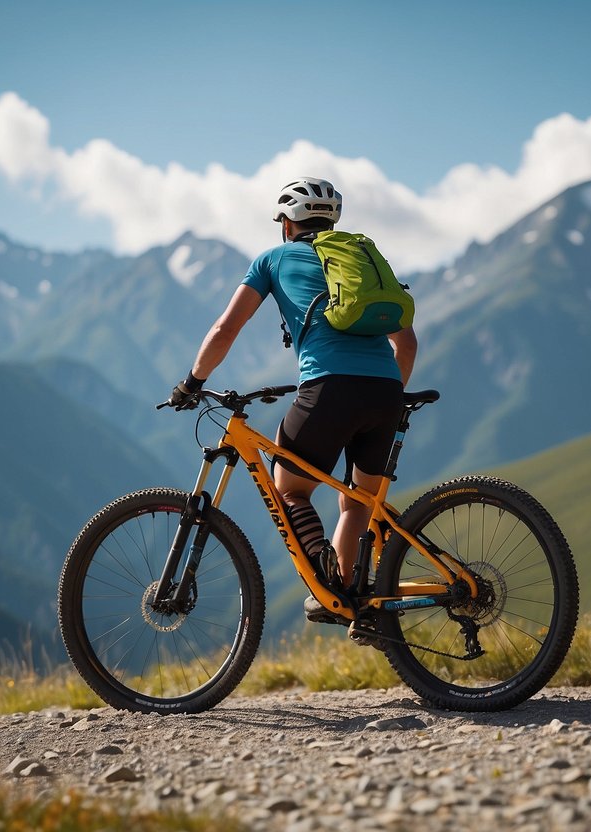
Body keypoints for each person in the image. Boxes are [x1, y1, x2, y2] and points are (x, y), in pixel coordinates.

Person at [168, 177, 418, 621]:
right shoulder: (359, 259)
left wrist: (191, 382)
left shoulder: (273, 259)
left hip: (328, 388)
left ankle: (325, 577)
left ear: (287, 224)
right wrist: (386, 395)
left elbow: (226, 329)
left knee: (289, 489)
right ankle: (348, 600)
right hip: (385, 391)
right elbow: (408, 344)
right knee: (359, 500)